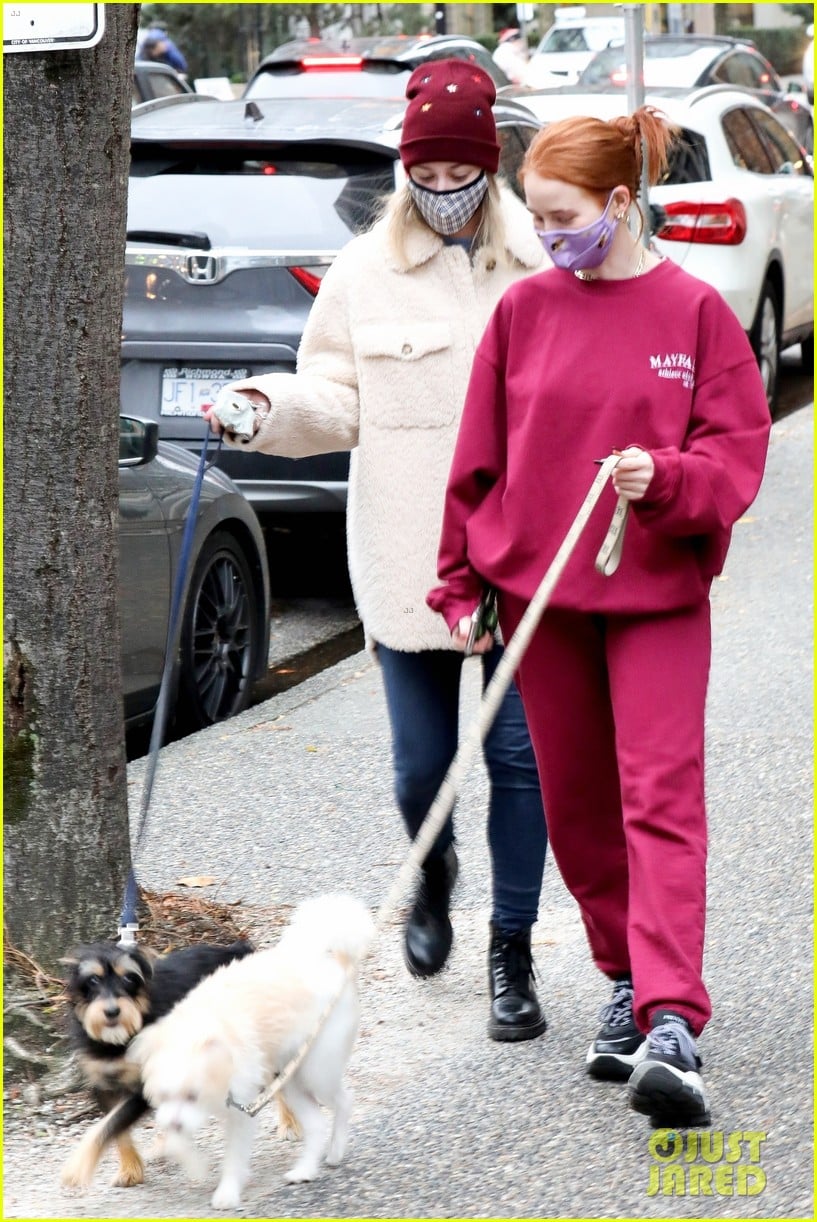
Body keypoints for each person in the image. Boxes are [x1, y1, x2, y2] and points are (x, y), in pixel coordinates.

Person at [427, 108, 771, 1122]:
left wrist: (662, 475)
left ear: (620, 203)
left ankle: (670, 1015)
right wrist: (460, 585)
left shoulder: (695, 314)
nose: (546, 234)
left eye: (563, 215)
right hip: (545, 602)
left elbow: (733, 456)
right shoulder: (524, 313)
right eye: (533, 217)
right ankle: (622, 973)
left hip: (656, 593)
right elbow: (476, 459)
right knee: (576, 806)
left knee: (658, 795)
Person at [205, 61, 551, 1043]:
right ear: (406, 172)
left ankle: (511, 955)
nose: (443, 191)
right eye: (426, 173)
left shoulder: (537, 264)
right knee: (418, 768)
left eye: (460, 172)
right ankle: (432, 871)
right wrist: (264, 410)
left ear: (491, 168)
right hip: (408, 562)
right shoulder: (362, 271)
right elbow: (332, 395)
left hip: (518, 563)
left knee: (521, 761)